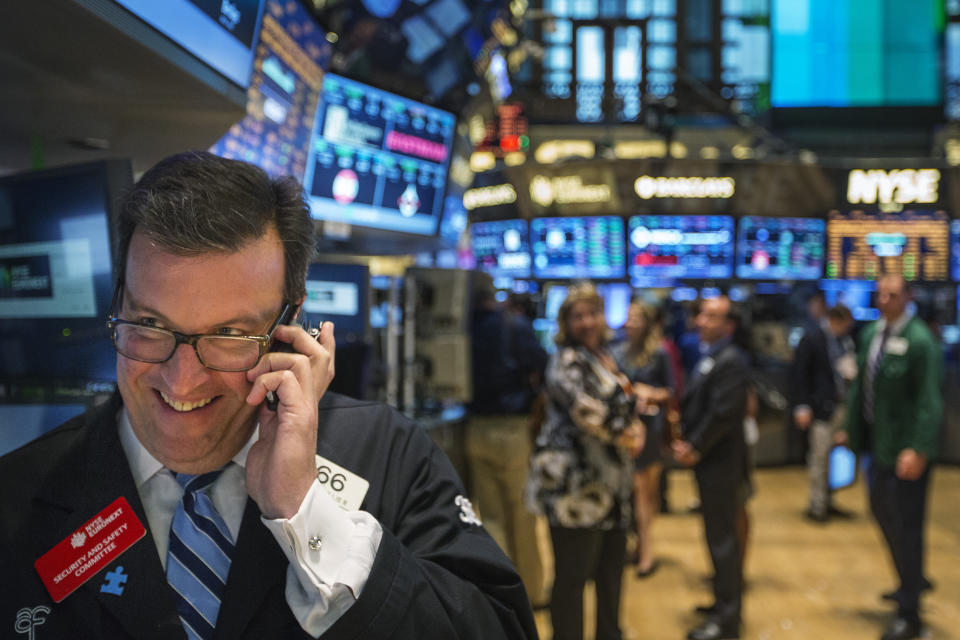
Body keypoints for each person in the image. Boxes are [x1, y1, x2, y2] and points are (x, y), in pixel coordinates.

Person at [0, 152, 537, 640]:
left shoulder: (389, 453)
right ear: (118, 300)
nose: (182, 379)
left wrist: (306, 512)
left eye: (230, 335)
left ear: (290, 323)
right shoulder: (20, 493)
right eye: (149, 323)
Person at [527, 282, 644, 640]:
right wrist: (628, 433)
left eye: (592, 313)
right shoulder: (564, 360)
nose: (587, 322)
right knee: (573, 577)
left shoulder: (606, 356)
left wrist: (635, 421)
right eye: (577, 316)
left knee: (611, 573)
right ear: (566, 322)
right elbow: (587, 412)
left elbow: (621, 401)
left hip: (612, 482)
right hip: (574, 488)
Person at [836, 274, 942, 640]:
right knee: (884, 516)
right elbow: (861, 392)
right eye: (880, 293)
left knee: (908, 528)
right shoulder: (871, 334)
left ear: (908, 297)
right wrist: (850, 428)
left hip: (904, 451)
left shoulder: (920, 341)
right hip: (875, 447)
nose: (885, 300)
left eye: (893, 294)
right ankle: (906, 581)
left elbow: (929, 401)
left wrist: (919, 447)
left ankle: (910, 613)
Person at [467, 276, 549, 609]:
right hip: (512, 432)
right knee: (522, 517)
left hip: (473, 429)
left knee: (492, 519)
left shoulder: (464, 328)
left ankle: (504, 599)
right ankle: (533, 595)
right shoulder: (514, 326)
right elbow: (544, 367)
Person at [672, 295, 749, 640]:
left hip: (722, 463)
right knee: (715, 537)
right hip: (710, 462)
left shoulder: (731, 360)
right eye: (702, 313)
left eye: (712, 316)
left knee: (723, 541)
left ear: (729, 326)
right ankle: (721, 603)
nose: (702, 320)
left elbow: (723, 414)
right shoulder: (709, 355)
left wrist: (695, 447)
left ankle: (728, 620)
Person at [612, 299, 674, 578]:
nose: (631, 322)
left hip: (649, 429)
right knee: (627, 492)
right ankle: (634, 546)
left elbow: (670, 392)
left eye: (637, 317)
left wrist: (649, 392)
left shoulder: (660, 353)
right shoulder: (617, 352)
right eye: (629, 317)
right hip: (624, 427)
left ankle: (646, 552)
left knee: (643, 494)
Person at [791, 299, 856, 522]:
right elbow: (799, 376)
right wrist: (801, 406)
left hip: (842, 406)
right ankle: (817, 506)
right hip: (820, 409)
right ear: (835, 320)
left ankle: (829, 501)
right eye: (845, 323)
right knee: (819, 458)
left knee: (836, 459)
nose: (848, 328)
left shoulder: (846, 341)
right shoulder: (812, 339)